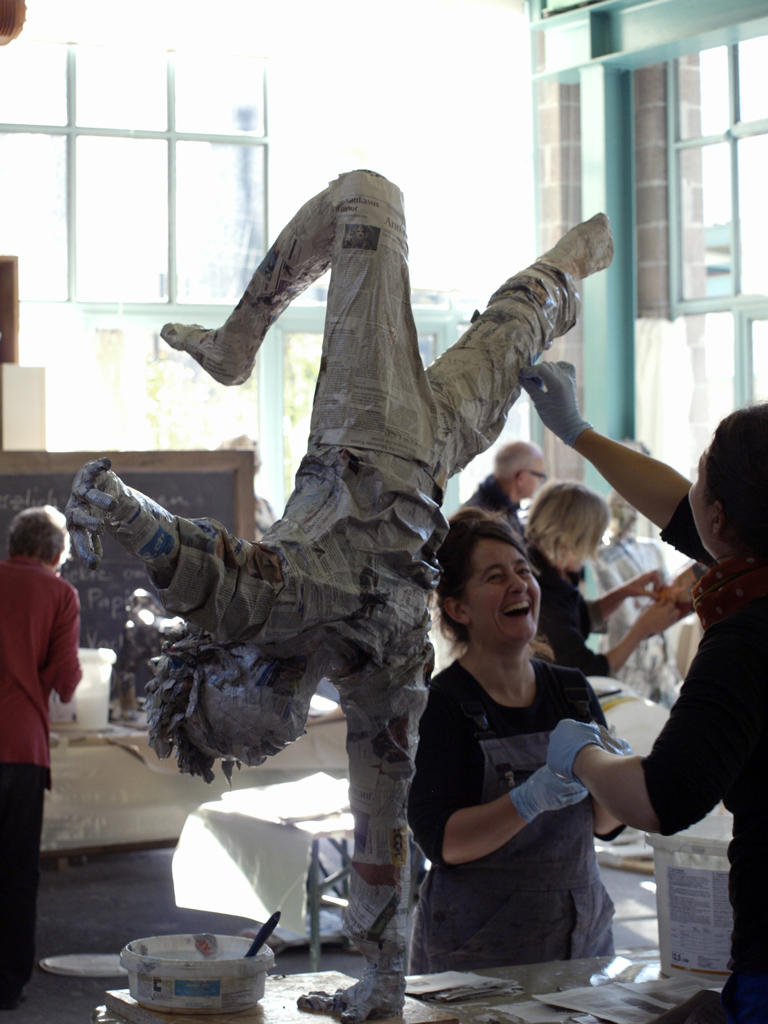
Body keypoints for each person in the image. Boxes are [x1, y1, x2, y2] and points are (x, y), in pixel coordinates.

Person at [65, 169, 614, 1024]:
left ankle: (238, 343)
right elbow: (381, 823)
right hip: (425, 460)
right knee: (525, 312)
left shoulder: (268, 612)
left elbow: (204, 571)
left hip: (368, 429)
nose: (282, 715)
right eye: (276, 722)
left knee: (370, 198)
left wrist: (113, 507)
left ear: (230, 672)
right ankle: (580, 258)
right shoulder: (378, 671)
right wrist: (381, 982)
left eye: (255, 705)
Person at [520, 358, 768, 1024]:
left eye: (701, 480)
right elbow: (683, 509)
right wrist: (577, 432)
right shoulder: (751, 569)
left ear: (720, 518)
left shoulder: (748, 636)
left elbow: (664, 798)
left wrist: (581, 754)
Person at [407, 507, 623, 972]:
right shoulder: (443, 705)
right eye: (495, 576)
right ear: (458, 608)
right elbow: (442, 841)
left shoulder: (571, 689)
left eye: (524, 570)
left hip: (579, 944)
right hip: (479, 953)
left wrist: (613, 776)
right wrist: (528, 799)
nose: (519, 584)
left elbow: (607, 825)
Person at [0, 506, 81, 1011]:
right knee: (15, 871)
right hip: (20, 748)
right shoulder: (60, 593)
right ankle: (6, 986)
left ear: (13, 546)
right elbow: (68, 681)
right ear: (55, 555)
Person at [524, 480, 684, 679]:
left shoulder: (556, 571)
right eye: (593, 540)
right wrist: (642, 629)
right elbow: (591, 671)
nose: (592, 551)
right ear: (570, 538)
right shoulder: (541, 595)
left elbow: (582, 618)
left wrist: (626, 591)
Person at [594, 486, 702, 705]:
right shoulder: (602, 556)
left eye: (632, 508)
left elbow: (667, 591)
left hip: (658, 651)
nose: (629, 515)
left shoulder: (651, 548)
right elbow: (623, 616)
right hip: (627, 650)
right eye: (621, 508)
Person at [463, 439, 546, 539]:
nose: (541, 480)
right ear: (521, 478)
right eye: (540, 475)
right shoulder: (488, 521)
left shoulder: (496, 506)